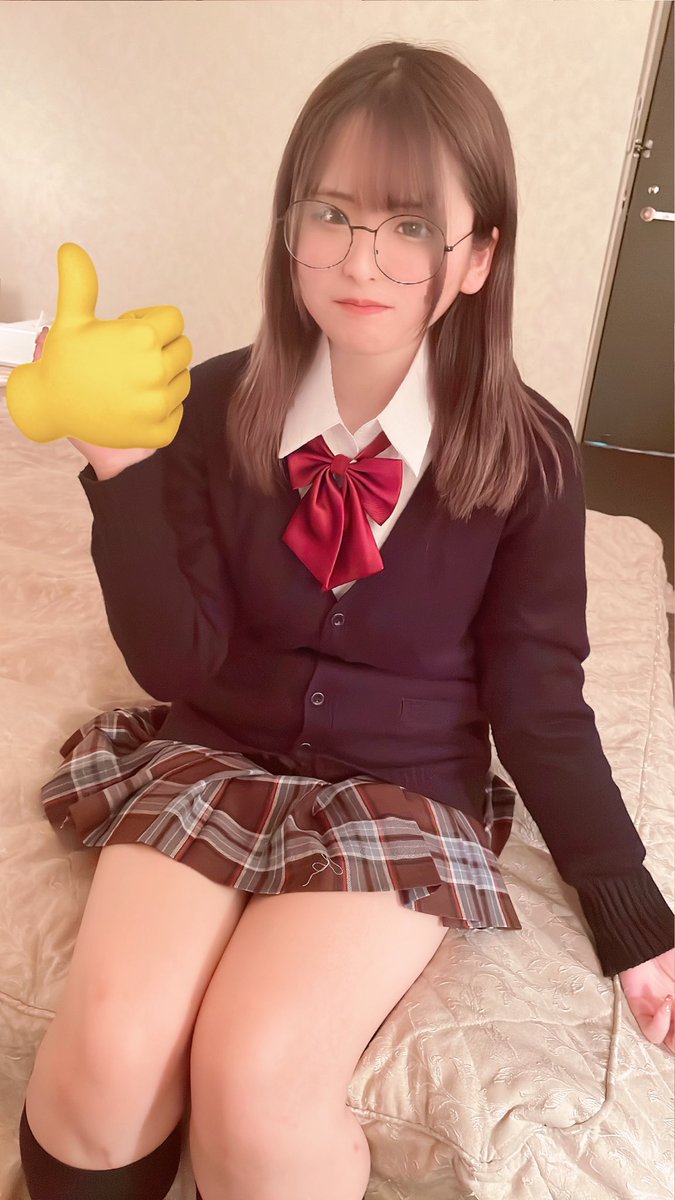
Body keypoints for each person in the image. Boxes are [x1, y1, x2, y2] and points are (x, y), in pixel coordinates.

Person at [15, 38, 674, 1200]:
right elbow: (175, 661)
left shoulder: (529, 457)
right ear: (290, 229)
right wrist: (120, 469)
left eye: (411, 225)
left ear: (479, 256)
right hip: (216, 748)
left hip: (401, 788)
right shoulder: (210, 403)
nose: (362, 259)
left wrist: (631, 910)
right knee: (104, 1055)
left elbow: (537, 699)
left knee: (256, 1078)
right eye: (331, 213)